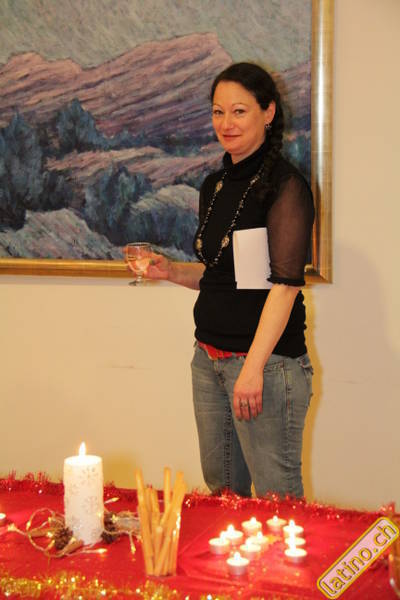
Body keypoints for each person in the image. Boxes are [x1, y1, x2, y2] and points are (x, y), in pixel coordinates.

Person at [135, 62, 314, 498]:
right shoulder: (214, 186)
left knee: (277, 503)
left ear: (268, 113)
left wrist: (251, 370)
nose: (226, 123)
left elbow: (285, 286)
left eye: (239, 111)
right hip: (208, 360)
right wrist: (171, 271)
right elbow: (224, 275)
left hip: (264, 367)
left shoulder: (286, 186)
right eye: (218, 112)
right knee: (224, 499)